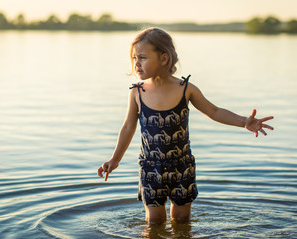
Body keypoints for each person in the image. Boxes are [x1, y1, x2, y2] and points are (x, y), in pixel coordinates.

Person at [97, 27, 274, 224]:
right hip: (151, 167)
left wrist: (244, 122)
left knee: (181, 219)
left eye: (143, 57)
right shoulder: (137, 93)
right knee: (154, 222)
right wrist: (115, 159)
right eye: (134, 58)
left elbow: (213, 111)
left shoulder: (186, 89)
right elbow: (128, 127)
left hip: (182, 167)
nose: (136, 63)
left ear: (164, 59)